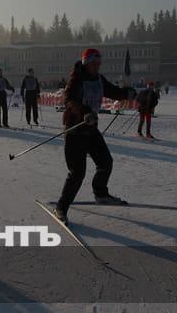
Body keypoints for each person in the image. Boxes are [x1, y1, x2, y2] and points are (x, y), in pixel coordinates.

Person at [54, 48, 136, 223]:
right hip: (75, 130)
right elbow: (69, 100)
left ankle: (101, 194)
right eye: (93, 63)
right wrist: (84, 111)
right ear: (86, 63)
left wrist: (126, 93)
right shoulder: (76, 79)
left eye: (98, 63)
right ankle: (61, 207)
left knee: (105, 162)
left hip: (91, 130)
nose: (96, 66)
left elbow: (112, 91)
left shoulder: (98, 79)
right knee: (77, 173)